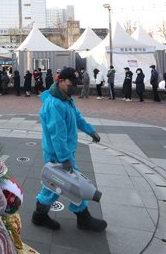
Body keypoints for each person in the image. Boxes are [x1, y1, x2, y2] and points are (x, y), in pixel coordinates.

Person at [31, 67, 107, 233]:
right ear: (60, 81)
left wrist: (90, 130)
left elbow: (77, 118)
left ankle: (39, 215)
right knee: (73, 185)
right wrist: (65, 159)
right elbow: (57, 135)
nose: (75, 87)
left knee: (55, 186)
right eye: (72, 83)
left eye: (76, 84)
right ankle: (83, 219)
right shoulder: (54, 104)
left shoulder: (66, 99)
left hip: (63, 153)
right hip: (57, 155)